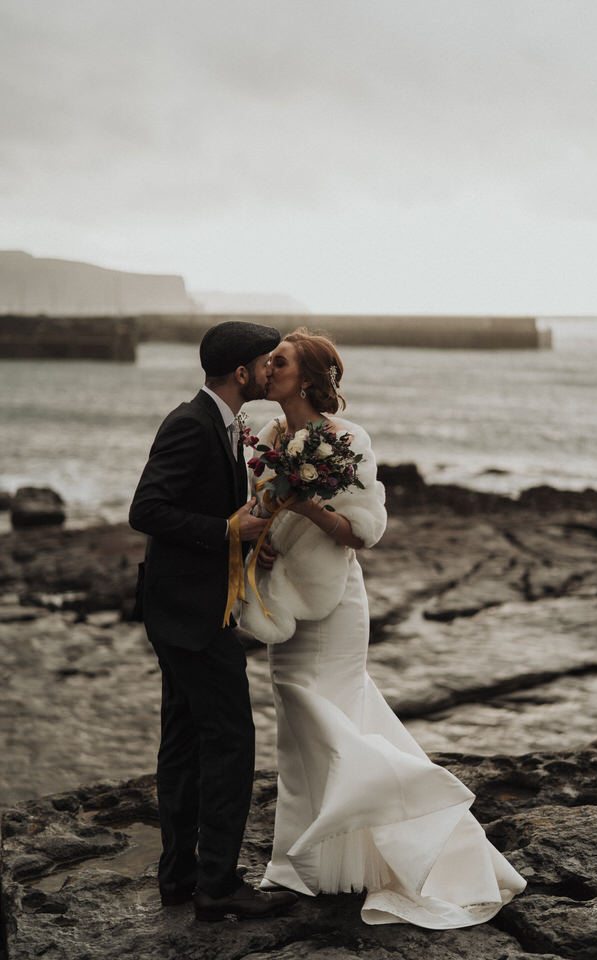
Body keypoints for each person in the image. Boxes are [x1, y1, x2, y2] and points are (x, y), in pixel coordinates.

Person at [240, 328, 527, 928]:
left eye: (281, 362)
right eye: (271, 362)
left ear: (311, 378)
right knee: (296, 738)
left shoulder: (348, 439)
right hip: (283, 600)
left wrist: (304, 504)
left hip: (335, 606)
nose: (269, 369)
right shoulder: (267, 439)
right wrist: (260, 548)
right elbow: (263, 517)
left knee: (326, 718)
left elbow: (363, 532)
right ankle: (313, 866)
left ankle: (411, 810)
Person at [129, 320, 297, 923]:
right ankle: (219, 886)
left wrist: (251, 545)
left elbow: (209, 511)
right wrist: (228, 530)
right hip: (189, 616)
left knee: (181, 743)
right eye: (264, 362)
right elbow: (146, 510)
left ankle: (178, 878)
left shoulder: (226, 426)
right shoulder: (190, 424)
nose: (271, 370)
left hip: (186, 610)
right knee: (230, 742)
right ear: (241, 372)